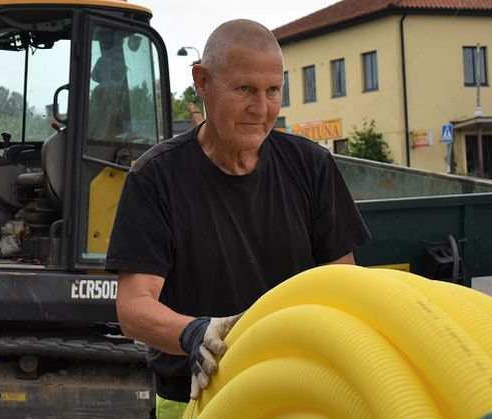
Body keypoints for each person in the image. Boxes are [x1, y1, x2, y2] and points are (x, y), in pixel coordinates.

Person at [105, 19, 371, 419]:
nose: (261, 109)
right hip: (195, 398)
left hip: (295, 395)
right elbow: (133, 307)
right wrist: (194, 334)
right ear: (202, 82)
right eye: (244, 89)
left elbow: (343, 286)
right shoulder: (156, 177)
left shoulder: (311, 166)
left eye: (273, 91)